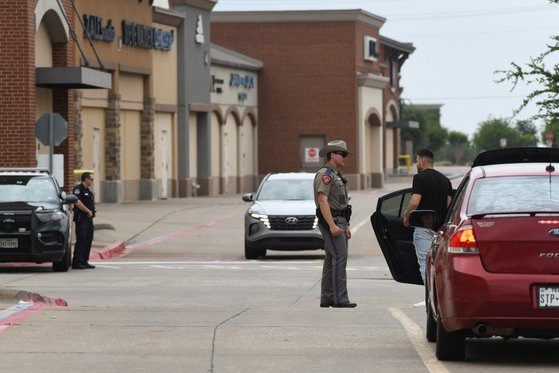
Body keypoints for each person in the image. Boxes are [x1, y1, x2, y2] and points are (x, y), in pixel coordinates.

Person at [314, 140, 356, 308]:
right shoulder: (325, 174)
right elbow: (322, 200)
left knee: (332, 258)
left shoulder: (336, 175)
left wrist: (346, 225)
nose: (346, 158)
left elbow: (341, 204)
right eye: (343, 154)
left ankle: (327, 298)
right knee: (340, 257)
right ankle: (340, 299)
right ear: (332, 155)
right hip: (332, 221)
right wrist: (332, 225)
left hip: (340, 221)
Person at [403, 149, 452, 284]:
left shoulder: (419, 178)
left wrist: (407, 216)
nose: (417, 164)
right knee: (438, 266)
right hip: (440, 230)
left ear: (423, 162)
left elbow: (414, 202)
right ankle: (438, 298)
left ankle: (430, 300)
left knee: (425, 265)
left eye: (417, 161)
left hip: (423, 229)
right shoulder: (445, 180)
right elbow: (449, 205)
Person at [72, 172, 96, 270]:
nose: (92, 181)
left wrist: (92, 211)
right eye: (91, 179)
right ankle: (77, 262)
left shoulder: (88, 191)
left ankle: (84, 261)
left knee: (88, 239)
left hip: (89, 219)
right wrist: (88, 211)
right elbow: (77, 202)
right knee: (81, 239)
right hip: (81, 218)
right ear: (86, 179)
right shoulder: (78, 189)